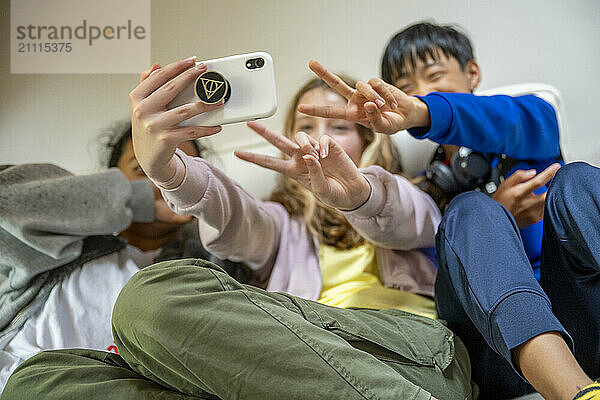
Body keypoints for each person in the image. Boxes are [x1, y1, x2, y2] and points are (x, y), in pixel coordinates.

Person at [3, 57, 475, 399]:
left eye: (338, 126)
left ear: (370, 139)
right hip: (295, 369)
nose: (320, 138)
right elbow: (235, 216)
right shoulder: (281, 225)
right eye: (305, 126)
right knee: (35, 381)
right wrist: (167, 172)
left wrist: (361, 196)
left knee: (149, 297)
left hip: (413, 357)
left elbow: (407, 218)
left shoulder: (415, 196)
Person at [298, 22, 598, 399]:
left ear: (472, 73)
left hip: (584, 320)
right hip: (496, 350)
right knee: (471, 209)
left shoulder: (529, 125)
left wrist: (425, 113)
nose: (421, 92)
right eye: (406, 87)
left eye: (434, 76)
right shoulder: (427, 190)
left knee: (578, 181)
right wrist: (497, 218)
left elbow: (519, 120)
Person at [0, 100, 247, 391]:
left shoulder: (210, 259)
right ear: (111, 178)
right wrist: (139, 201)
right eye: (143, 168)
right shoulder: (56, 240)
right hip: (22, 378)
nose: (161, 178)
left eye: (178, 168)